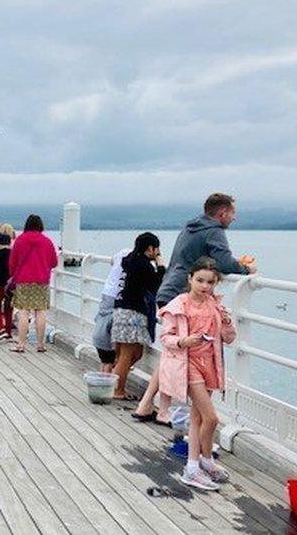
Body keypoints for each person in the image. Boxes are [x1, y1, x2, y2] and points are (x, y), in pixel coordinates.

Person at [133, 193, 255, 423]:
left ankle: (153, 406)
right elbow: (225, 262)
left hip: (168, 290)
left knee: (173, 355)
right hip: (181, 296)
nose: (233, 219)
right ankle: (156, 408)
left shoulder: (191, 227)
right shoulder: (214, 230)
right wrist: (247, 270)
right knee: (175, 356)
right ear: (222, 213)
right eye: (232, 214)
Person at [158, 257, 236, 491]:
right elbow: (165, 338)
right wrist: (184, 341)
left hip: (210, 363)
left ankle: (199, 464)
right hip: (187, 363)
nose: (204, 286)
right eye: (200, 280)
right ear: (190, 279)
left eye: (210, 282)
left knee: (197, 418)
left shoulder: (215, 306)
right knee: (211, 417)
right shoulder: (178, 305)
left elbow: (229, 339)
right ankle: (197, 464)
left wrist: (226, 322)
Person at [111, 233, 166, 400]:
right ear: (150, 248)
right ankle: (117, 390)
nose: (157, 252)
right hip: (133, 313)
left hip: (121, 310)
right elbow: (155, 286)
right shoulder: (144, 265)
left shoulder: (129, 261)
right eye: (156, 249)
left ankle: (112, 381)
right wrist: (161, 267)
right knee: (128, 354)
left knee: (131, 354)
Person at [8, 214, 58, 354]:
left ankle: (21, 344)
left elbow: (12, 262)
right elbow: (54, 262)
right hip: (42, 281)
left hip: (23, 280)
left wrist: (13, 275)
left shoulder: (20, 240)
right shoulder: (47, 241)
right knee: (40, 311)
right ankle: (41, 344)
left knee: (24, 312)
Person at [92, 248, 130, 372]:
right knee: (110, 355)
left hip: (107, 293)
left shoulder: (122, 252)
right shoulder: (136, 259)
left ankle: (103, 380)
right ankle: (109, 384)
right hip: (118, 296)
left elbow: (112, 262)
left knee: (105, 354)